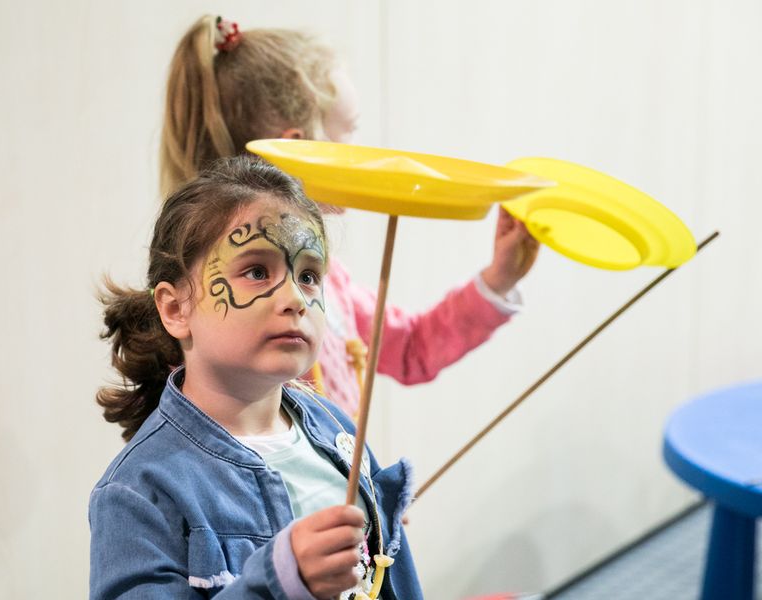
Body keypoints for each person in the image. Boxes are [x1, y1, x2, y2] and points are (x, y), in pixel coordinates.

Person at [159, 15, 540, 416]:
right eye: (349, 131)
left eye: (305, 278)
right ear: (299, 148)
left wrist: (500, 278)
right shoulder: (211, 294)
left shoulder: (328, 281)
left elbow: (410, 349)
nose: (359, 149)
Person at [90, 156, 422, 599]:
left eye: (308, 276)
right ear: (175, 309)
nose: (294, 299)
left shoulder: (338, 430)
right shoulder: (138, 492)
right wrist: (282, 580)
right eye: (256, 272)